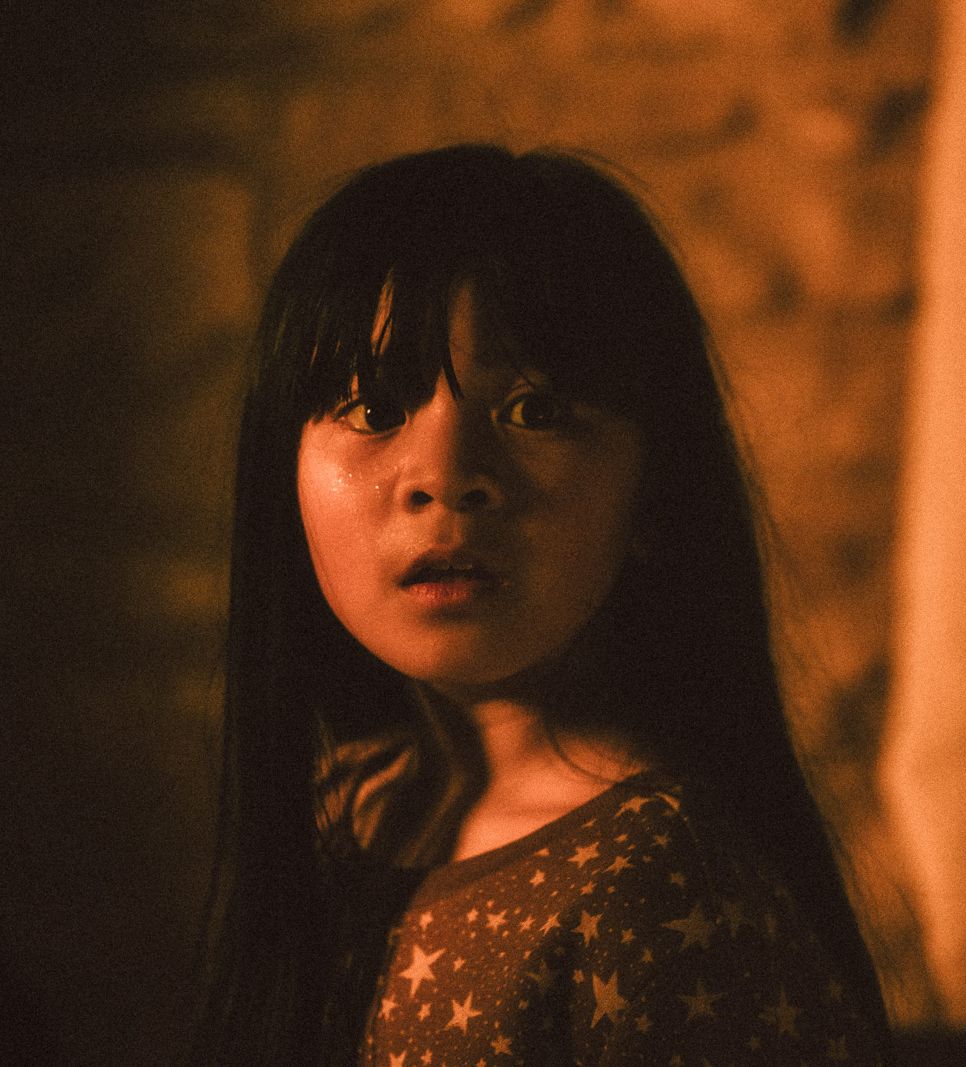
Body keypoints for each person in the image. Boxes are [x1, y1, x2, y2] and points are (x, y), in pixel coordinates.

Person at [190, 144, 890, 1066]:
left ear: (656, 489)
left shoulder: (657, 883)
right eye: (373, 407)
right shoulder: (346, 803)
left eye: (535, 410)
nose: (446, 477)